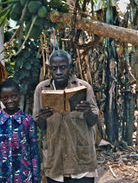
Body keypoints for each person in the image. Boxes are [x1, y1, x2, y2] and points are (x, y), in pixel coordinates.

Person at [33, 50, 99, 183]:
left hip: (81, 159)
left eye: (62, 67)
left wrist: (87, 111)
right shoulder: (41, 89)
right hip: (55, 159)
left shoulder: (83, 87)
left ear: (70, 67)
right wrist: (43, 117)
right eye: (54, 68)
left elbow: (93, 121)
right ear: (50, 69)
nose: (58, 72)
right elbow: (40, 125)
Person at [0, 78, 41, 183]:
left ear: (19, 95)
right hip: (1, 177)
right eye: (5, 98)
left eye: (13, 96)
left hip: (24, 177)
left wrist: (36, 178)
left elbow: (34, 151)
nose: (10, 101)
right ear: (0, 98)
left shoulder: (27, 120)